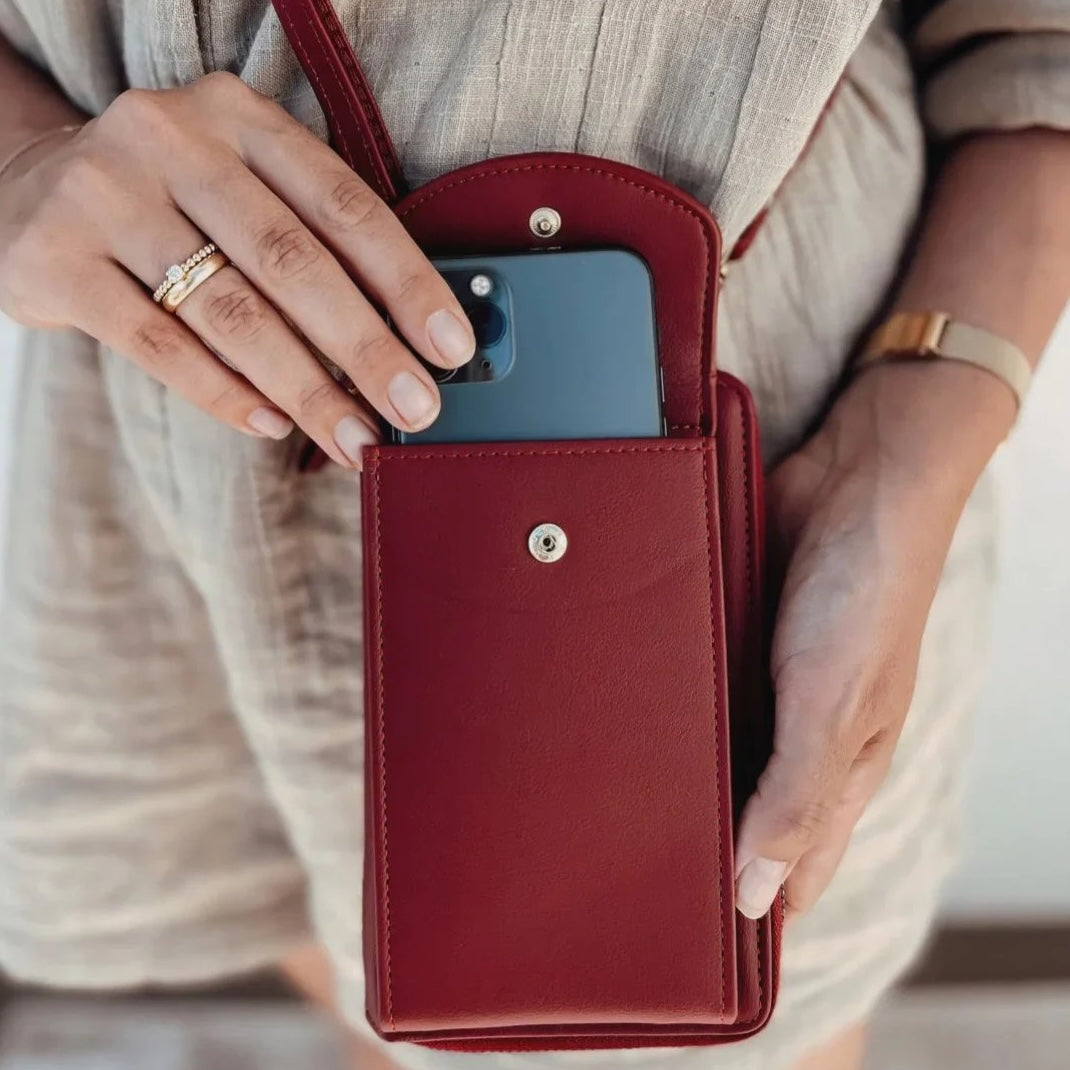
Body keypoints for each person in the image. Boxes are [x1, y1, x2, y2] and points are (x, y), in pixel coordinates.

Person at [0, 2, 1066, 1068]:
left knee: (703, 1006)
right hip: (169, 450)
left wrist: (909, 438)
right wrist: (23, 165)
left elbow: (1041, 47)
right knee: (387, 967)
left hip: (751, 461)